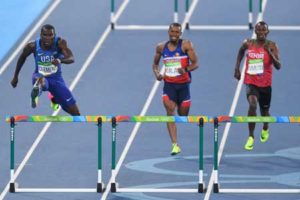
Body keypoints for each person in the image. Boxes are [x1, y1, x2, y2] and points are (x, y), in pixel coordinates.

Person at [11, 24, 80, 116]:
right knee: (42, 81)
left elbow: (71, 58)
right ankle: (35, 94)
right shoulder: (32, 46)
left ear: (54, 35)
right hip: (39, 76)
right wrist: (15, 77)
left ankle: (56, 99)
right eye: (45, 35)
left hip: (56, 79)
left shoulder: (60, 43)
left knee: (76, 114)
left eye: (50, 35)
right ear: (40, 35)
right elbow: (22, 58)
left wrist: (60, 60)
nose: (47, 38)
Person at [152, 23, 199, 155]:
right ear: (168, 32)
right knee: (170, 112)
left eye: (177, 32)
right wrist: (157, 74)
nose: (174, 34)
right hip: (169, 86)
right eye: (172, 32)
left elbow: (195, 63)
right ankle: (175, 145)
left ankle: (181, 105)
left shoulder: (186, 45)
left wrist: (185, 69)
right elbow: (155, 64)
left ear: (180, 33)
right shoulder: (161, 47)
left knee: (183, 116)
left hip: (184, 87)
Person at [234, 21, 281, 150]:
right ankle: (250, 137)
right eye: (258, 30)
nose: (261, 32)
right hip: (251, 82)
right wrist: (237, 68)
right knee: (252, 104)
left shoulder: (272, 45)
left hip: (265, 84)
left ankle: (265, 127)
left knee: (264, 112)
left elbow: (278, 66)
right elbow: (240, 52)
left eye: (263, 30)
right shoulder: (248, 43)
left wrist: (270, 53)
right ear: (255, 31)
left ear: (267, 32)